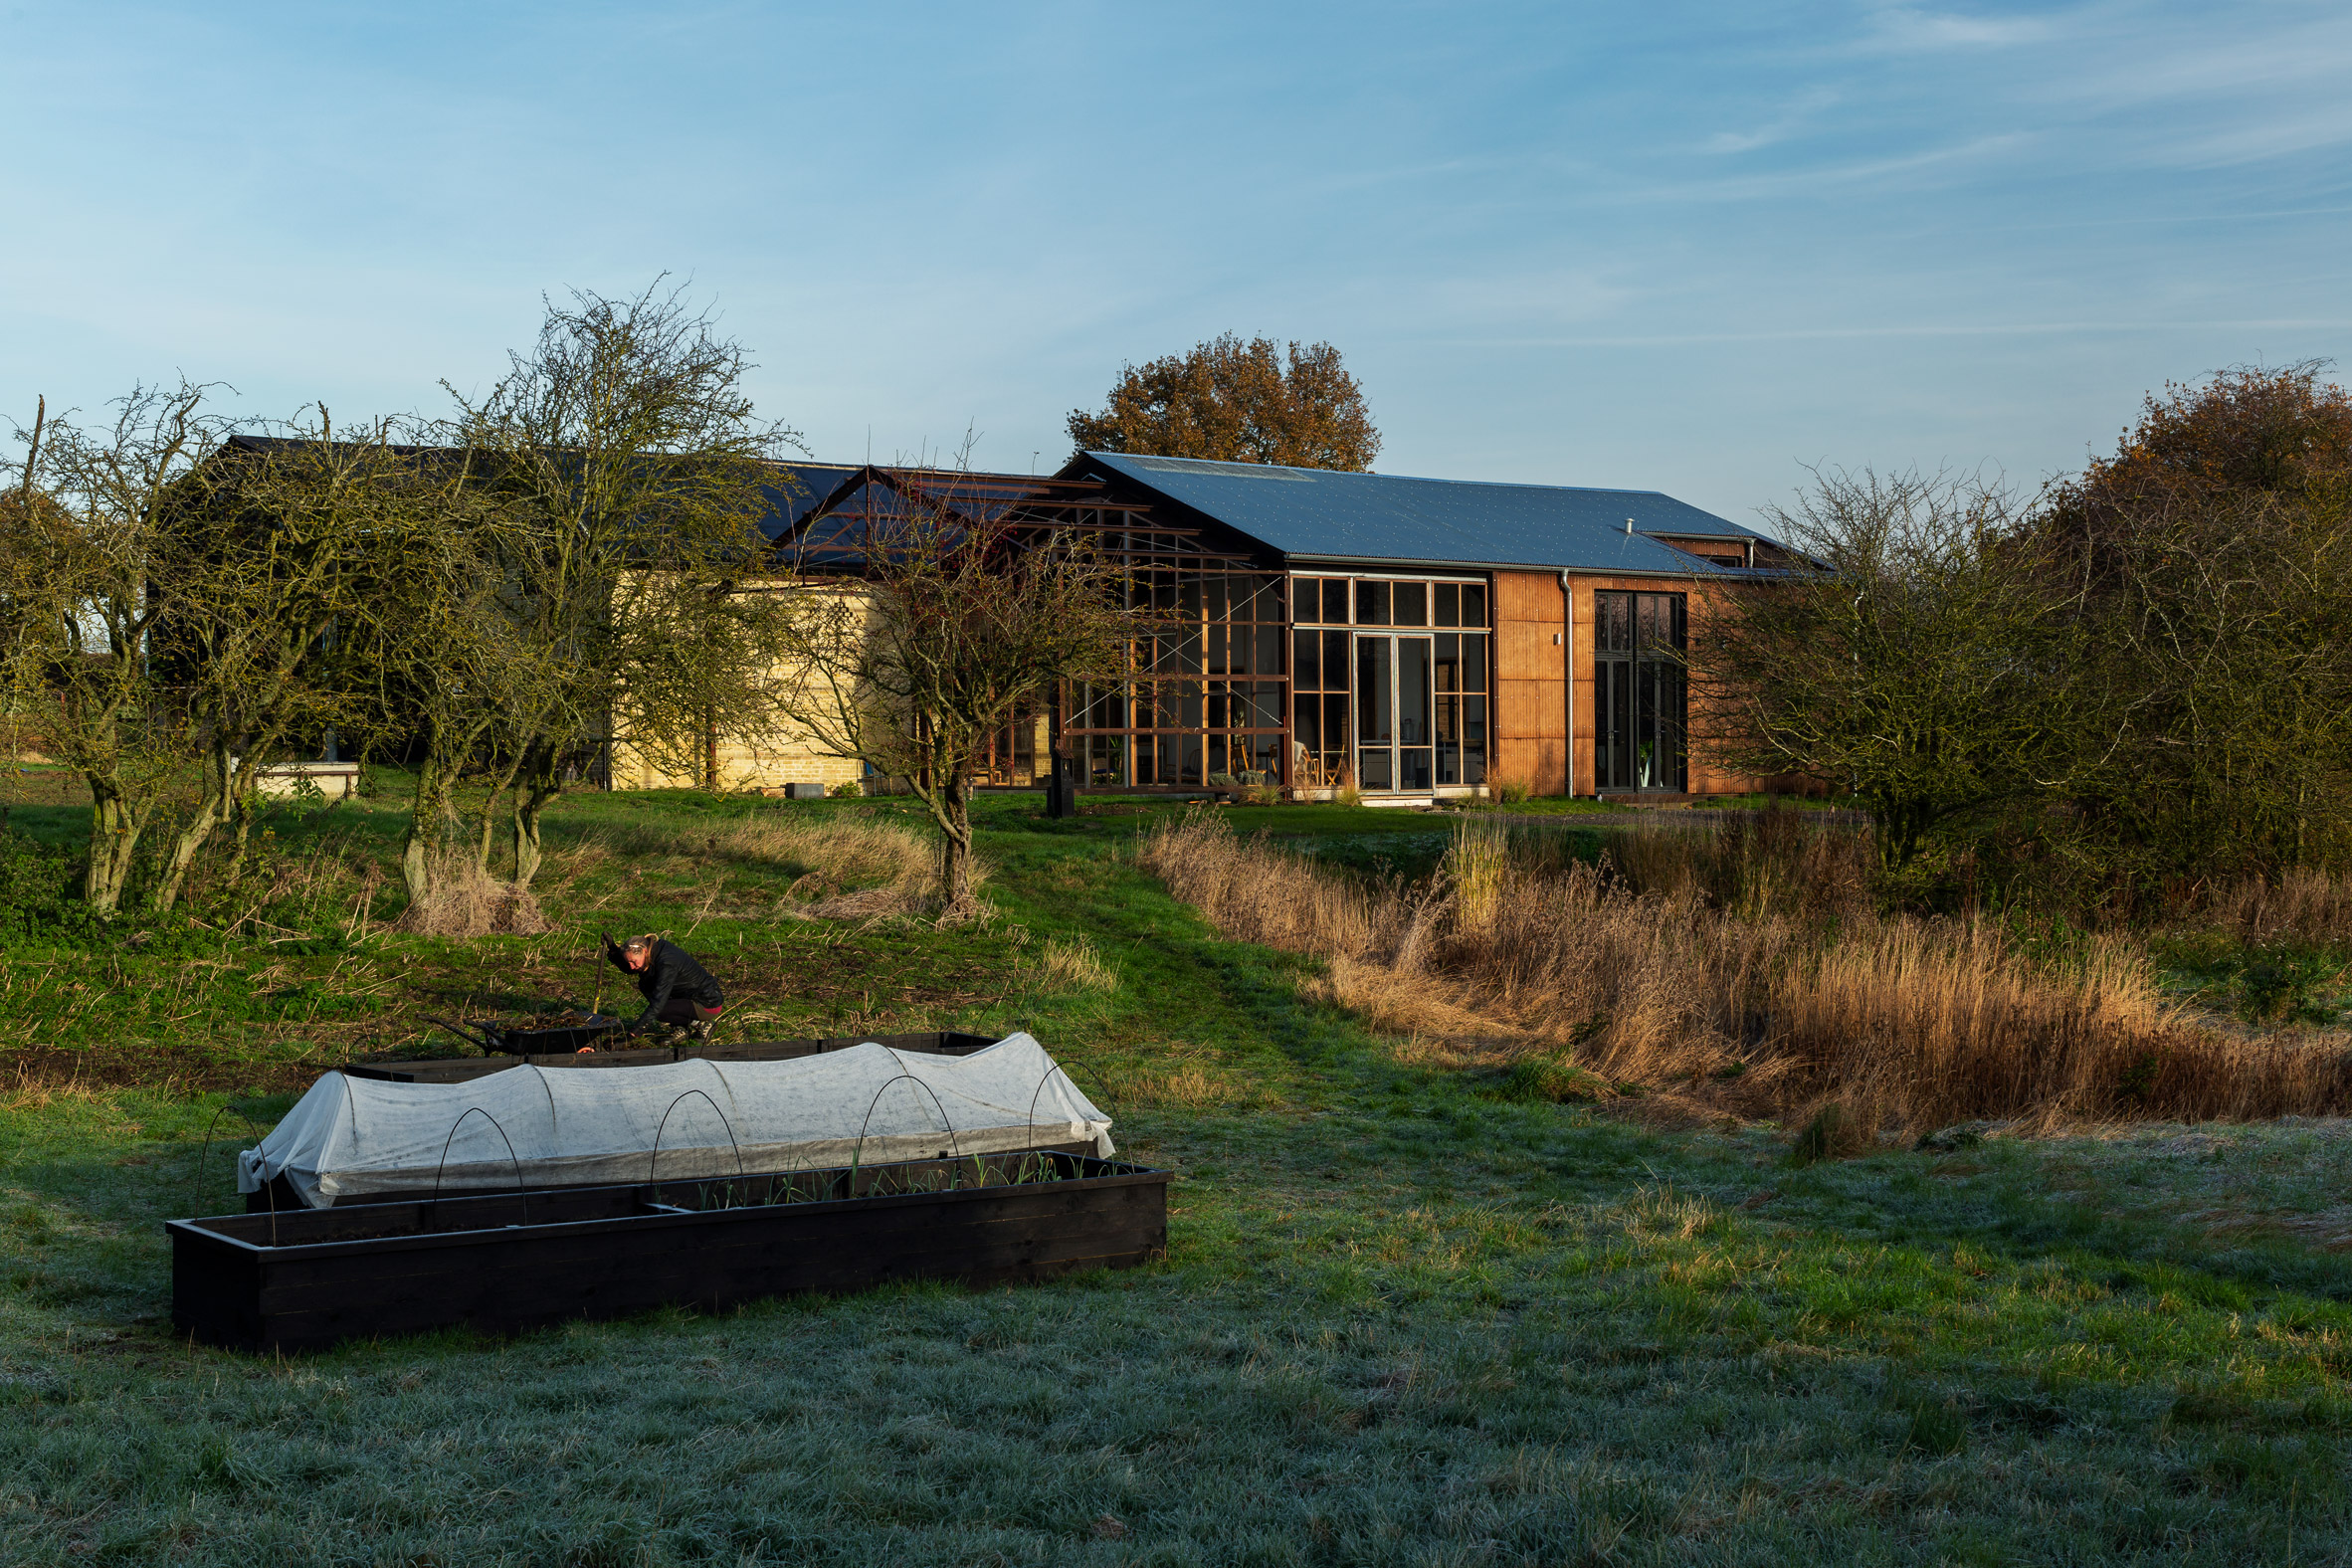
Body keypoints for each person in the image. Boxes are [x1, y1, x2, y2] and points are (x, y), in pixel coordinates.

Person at [603, 932, 725, 1043]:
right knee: (646, 983)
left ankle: (701, 1024)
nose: (632, 967)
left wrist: (633, 1035)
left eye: (634, 962)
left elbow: (658, 1002)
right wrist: (613, 949)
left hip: (707, 1003)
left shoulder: (666, 962)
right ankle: (681, 1028)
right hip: (685, 997)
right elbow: (630, 968)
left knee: (659, 1010)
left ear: (645, 951)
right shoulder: (654, 950)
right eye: (629, 962)